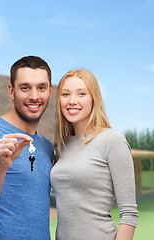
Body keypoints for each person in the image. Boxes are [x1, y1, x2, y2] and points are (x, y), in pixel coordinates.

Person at [0, 56, 54, 240]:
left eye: (41, 87)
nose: (34, 96)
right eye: (25, 87)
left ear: (50, 92)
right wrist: (2, 166)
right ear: (12, 91)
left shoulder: (46, 146)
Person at [50, 69, 139, 240]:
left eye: (81, 93)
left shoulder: (112, 140)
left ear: (94, 98)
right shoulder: (63, 146)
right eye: (65, 94)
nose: (72, 101)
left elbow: (129, 213)